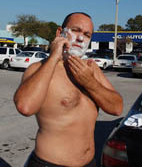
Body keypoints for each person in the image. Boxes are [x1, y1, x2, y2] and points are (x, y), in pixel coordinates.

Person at [13, 12, 123, 167]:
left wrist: (90, 82)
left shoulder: (91, 69)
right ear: (60, 32)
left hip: (89, 163)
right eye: (76, 30)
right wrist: (54, 57)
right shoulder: (38, 68)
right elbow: (25, 107)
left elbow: (117, 108)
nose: (80, 38)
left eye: (86, 34)